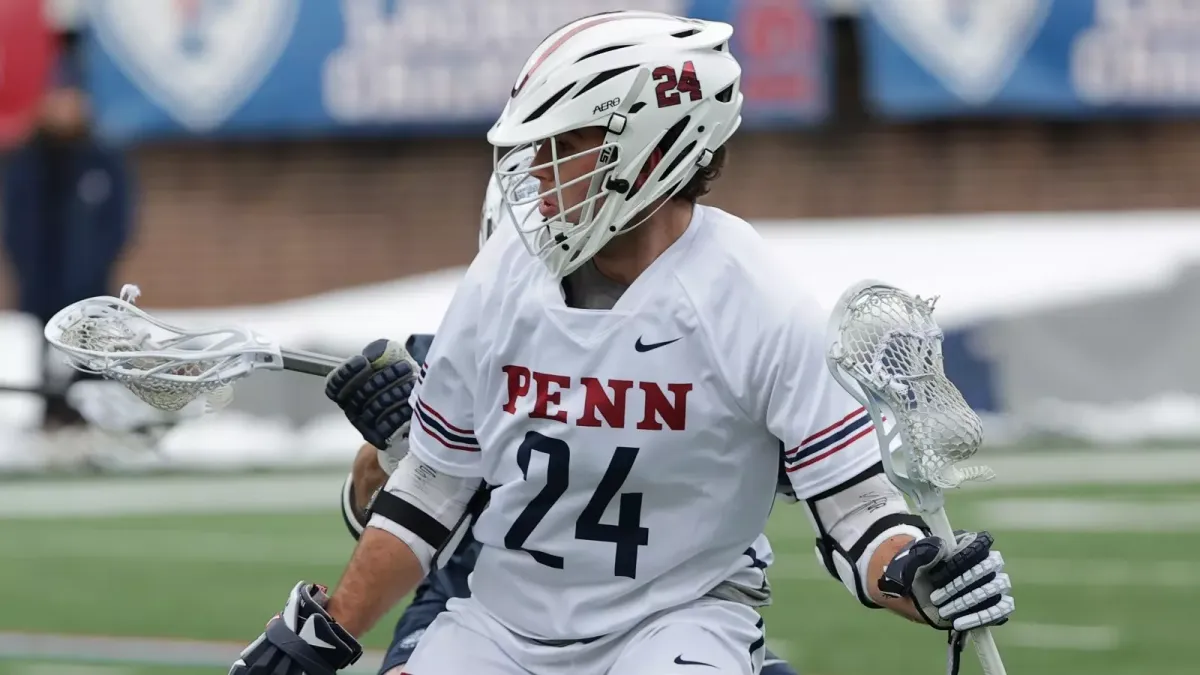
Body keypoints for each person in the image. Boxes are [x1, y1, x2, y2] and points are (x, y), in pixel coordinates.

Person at [230, 12, 1015, 675]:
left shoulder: (758, 303)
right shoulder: (504, 274)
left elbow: (859, 518)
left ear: (652, 151)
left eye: (562, 144)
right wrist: (325, 632)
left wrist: (918, 575)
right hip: (498, 619)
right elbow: (431, 494)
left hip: (677, 619)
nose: (535, 171)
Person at [335, 149, 801, 675]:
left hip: (663, 610)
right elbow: (382, 511)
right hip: (475, 601)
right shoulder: (461, 344)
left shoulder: (709, 331)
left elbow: (800, 470)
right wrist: (396, 448)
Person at [2, 32, 134, 430]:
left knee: (90, 363)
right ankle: (51, 418)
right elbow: (15, 221)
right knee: (48, 361)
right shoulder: (26, 161)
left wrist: (95, 267)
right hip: (43, 285)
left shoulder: (102, 159)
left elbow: (119, 221)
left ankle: (90, 421)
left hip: (89, 288)